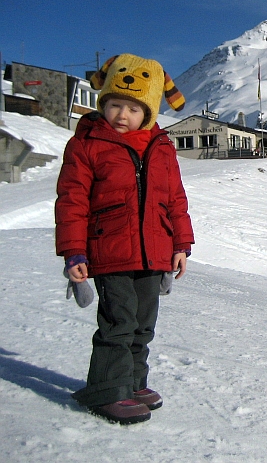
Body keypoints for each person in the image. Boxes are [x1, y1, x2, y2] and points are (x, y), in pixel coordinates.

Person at [55, 53, 194, 424]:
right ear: (103, 104)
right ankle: (105, 390)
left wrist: (181, 245)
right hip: (110, 249)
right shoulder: (88, 144)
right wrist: (73, 251)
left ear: (147, 112)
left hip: (154, 251)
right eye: (115, 104)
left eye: (133, 108)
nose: (122, 115)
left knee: (143, 323)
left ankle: (131, 383)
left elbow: (175, 199)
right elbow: (71, 200)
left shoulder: (161, 146)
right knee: (119, 321)